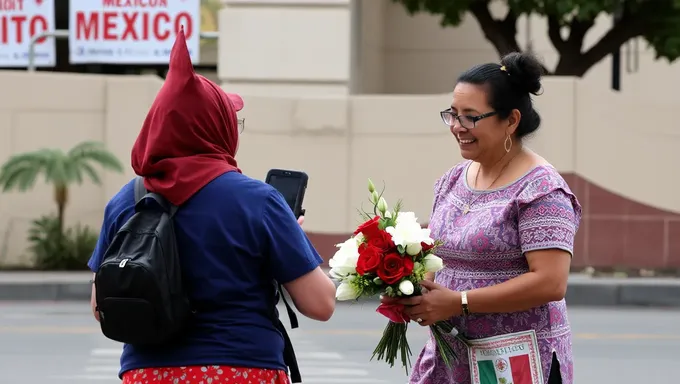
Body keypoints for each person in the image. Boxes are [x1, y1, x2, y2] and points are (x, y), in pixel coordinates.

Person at [87, 30, 336, 384]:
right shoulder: (258, 201)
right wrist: (290, 236)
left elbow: (100, 308)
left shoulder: (126, 201)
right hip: (241, 369)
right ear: (212, 127)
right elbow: (320, 305)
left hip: (146, 373)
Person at [389, 52, 582, 384]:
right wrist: (407, 287)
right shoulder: (453, 180)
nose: (456, 126)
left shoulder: (541, 190)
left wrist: (459, 303)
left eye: (470, 117)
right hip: (450, 356)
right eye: (452, 114)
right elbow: (443, 258)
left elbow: (551, 282)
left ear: (511, 120)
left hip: (514, 360)